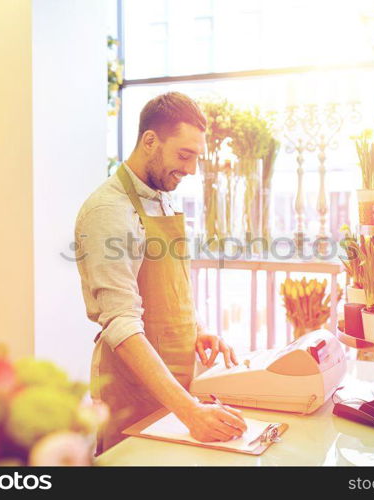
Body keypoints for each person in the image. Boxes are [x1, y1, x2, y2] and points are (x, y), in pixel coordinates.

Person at [75, 92, 247, 453]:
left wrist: (197, 330)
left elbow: (170, 287)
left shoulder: (161, 196)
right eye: (184, 155)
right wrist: (190, 412)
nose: (191, 170)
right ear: (149, 141)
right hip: (134, 391)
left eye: (196, 157)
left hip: (177, 382)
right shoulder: (109, 210)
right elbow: (121, 322)